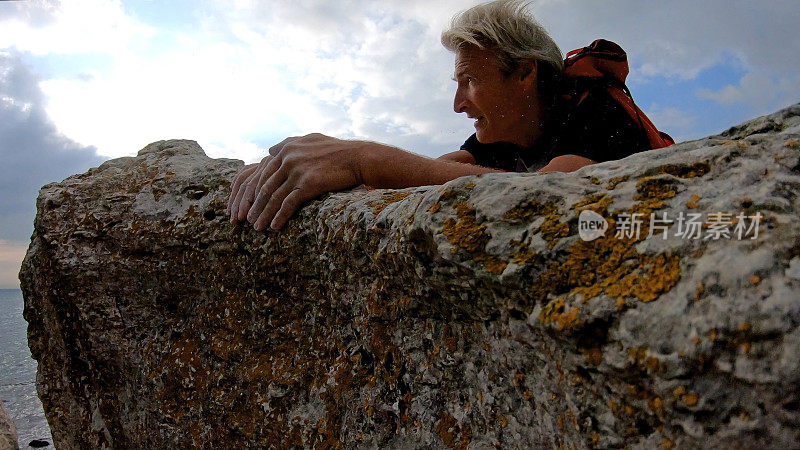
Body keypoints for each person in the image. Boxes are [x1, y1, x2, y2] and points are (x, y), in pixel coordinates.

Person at [227, 0, 651, 232]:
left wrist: (364, 156)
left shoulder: (595, 109)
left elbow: (547, 193)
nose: (458, 104)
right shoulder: (503, 128)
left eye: (468, 81)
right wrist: (317, 166)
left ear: (525, 72)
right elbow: (431, 170)